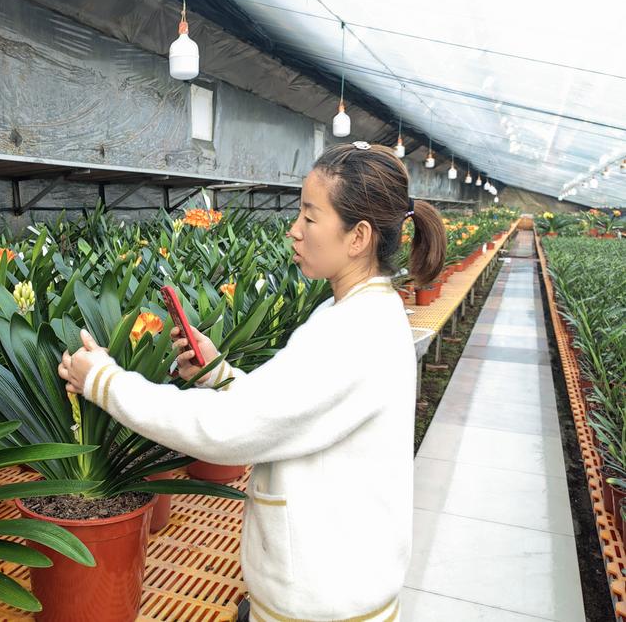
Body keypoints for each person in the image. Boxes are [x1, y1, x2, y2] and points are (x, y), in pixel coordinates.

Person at [58, 142, 446, 622]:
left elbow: (227, 430)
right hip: (331, 584)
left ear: (358, 237)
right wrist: (219, 373)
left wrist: (104, 382)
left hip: (322, 605)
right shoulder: (351, 312)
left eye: (310, 217)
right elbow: (286, 407)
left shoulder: (354, 334)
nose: (294, 230)